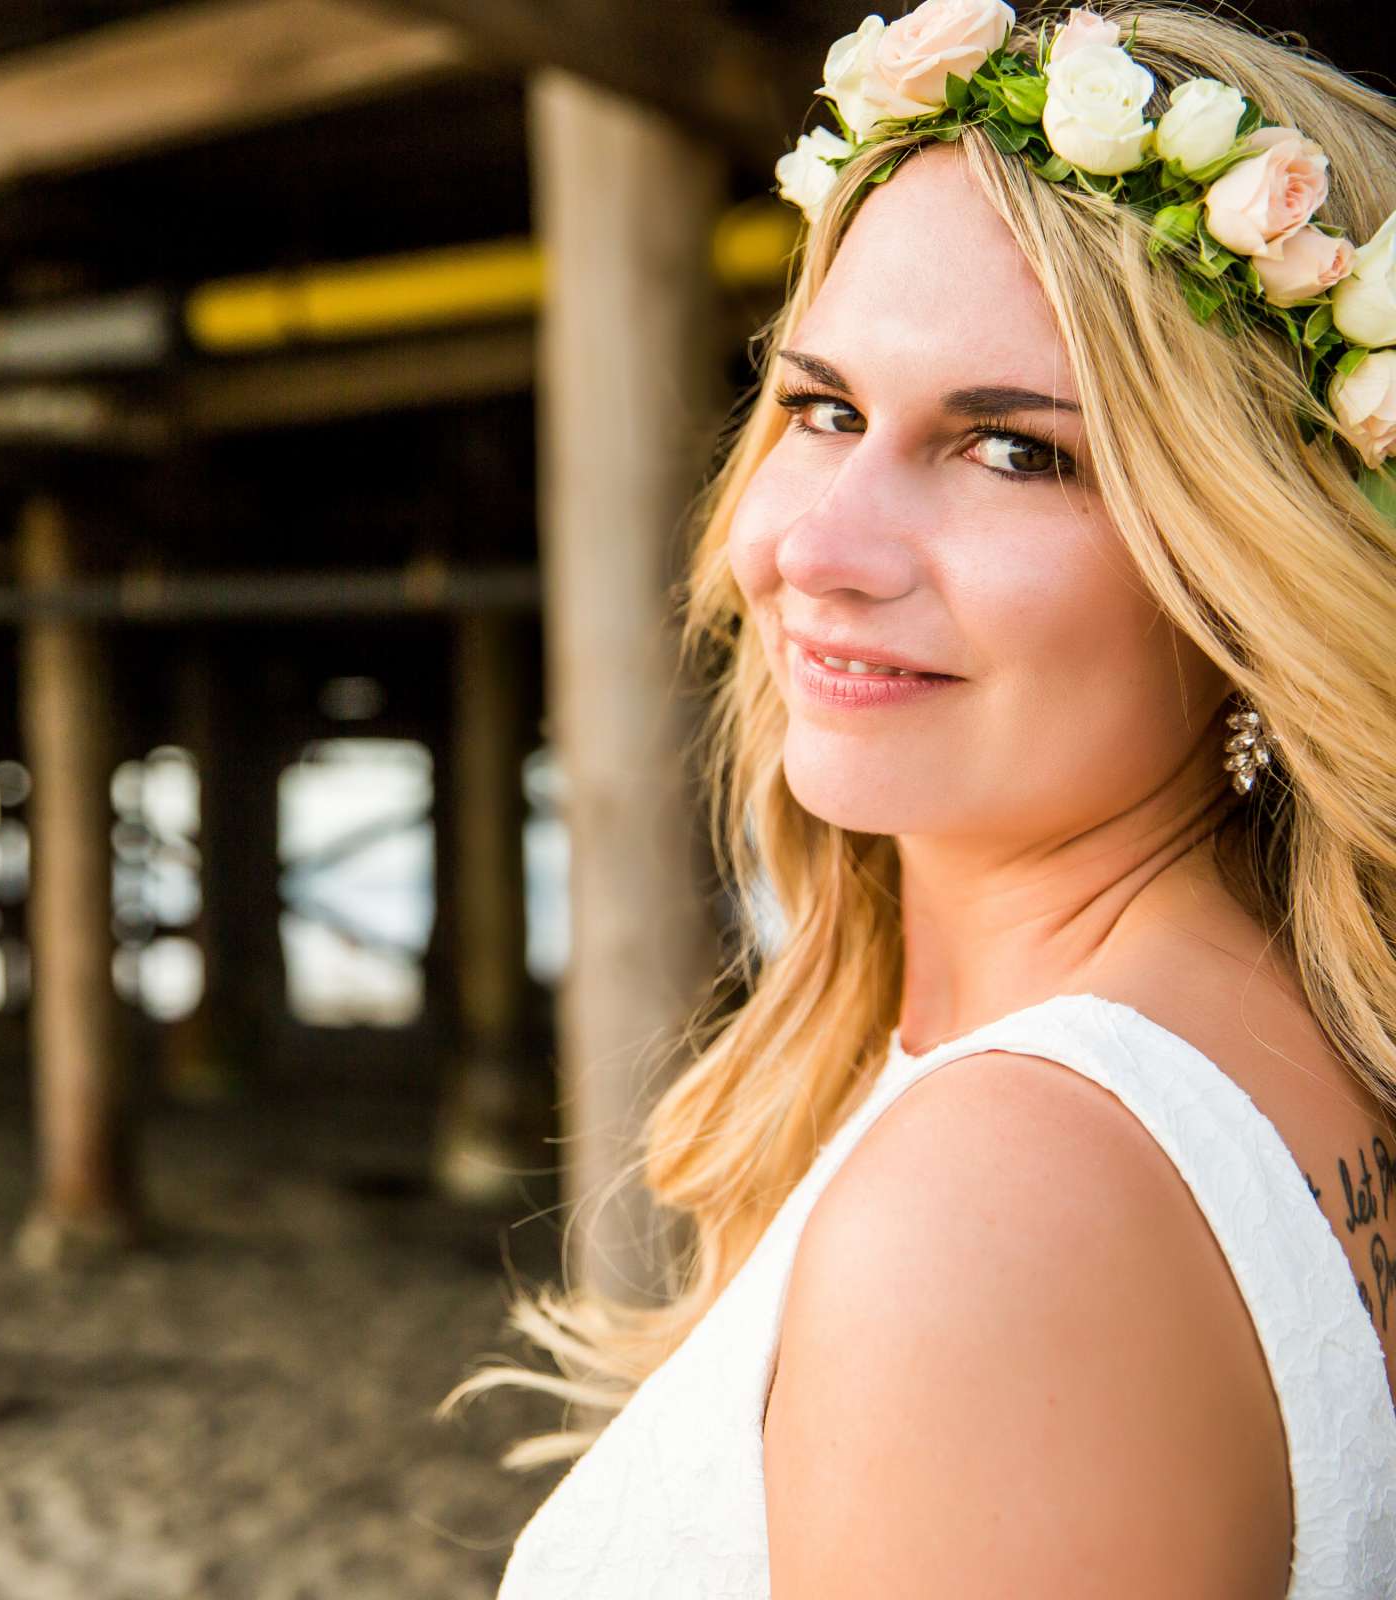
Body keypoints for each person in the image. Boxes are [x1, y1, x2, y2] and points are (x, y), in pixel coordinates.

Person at [487, 4, 1396, 1595]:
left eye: (1013, 452)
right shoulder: (1286, 1045)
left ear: (1251, 561)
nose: (819, 548)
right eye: (823, 410)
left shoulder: (1004, 1205)